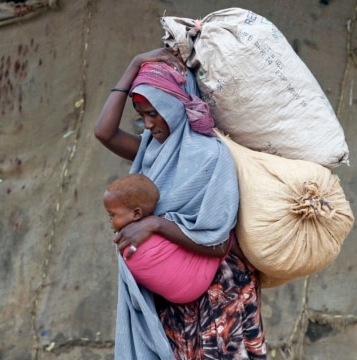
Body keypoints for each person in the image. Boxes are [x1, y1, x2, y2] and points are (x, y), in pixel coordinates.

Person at [94, 47, 267, 359]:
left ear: (174, 107)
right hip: (174, 293)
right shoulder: (152, 151)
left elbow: (216, 243)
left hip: (220, 289)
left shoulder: (211, 156)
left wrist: (155, 224)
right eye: (141, 116)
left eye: (152, 113)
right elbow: (103, 133)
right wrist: (134, 64)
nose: (147, 125)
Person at [102, 173, 225, 304]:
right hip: (194, 285)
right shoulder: (157, 230)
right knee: (225, 236)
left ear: (137, 213)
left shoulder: (144, 237)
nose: (109, 220)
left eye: (112, 215)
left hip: (183, 294)